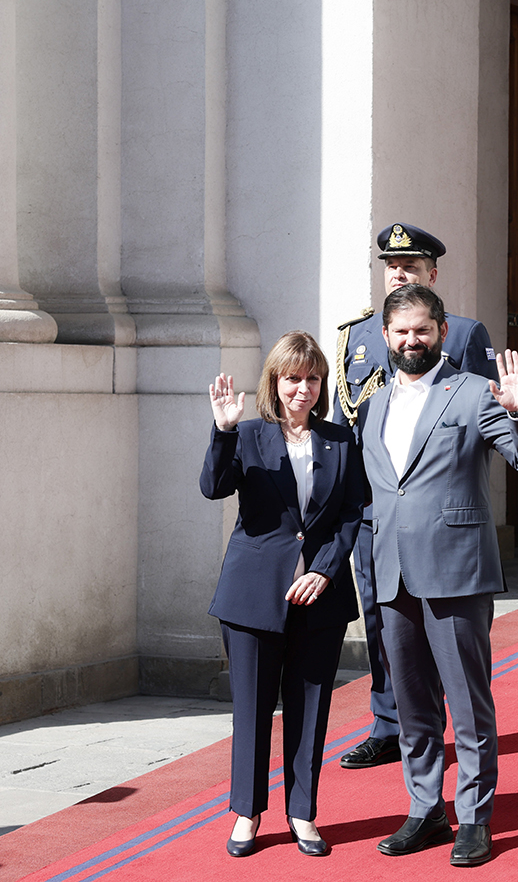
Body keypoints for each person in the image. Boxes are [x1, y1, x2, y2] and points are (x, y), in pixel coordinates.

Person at [357, 283, 518, 867]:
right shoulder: (372, 402)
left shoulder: (471, 392)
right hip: (391, 574)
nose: (411, 341)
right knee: (413, 706)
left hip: (457, 571)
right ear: (385, 337)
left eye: (422, 330)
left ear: (441, 331)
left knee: (467, 704)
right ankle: (425, 808)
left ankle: (475, 816)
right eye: (401, 332)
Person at [332, 222, 498, 772]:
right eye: (391, 266)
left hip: (437, 515)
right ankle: (388, 722)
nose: (399, 272)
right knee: (383, 624)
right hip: (371, 511)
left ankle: (441, 725)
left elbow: (479, 425)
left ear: (433, 272)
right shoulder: (357, 336)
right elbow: (345, 428)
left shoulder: (465, 333)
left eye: (411, 265)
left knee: (444, 633)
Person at [201, 331, 366, 858]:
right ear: (275, 381)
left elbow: (350, 514)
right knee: (251, 710)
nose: (303, 388)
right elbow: (213, 486)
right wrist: (223, 430)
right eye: (293, 378)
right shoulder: (248, 435)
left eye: (312, 378)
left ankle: (303, 812)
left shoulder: (341, 440)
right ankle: (247, 813)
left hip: (319, 596)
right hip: (251, 597)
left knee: (311, 707)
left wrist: (324, 570)